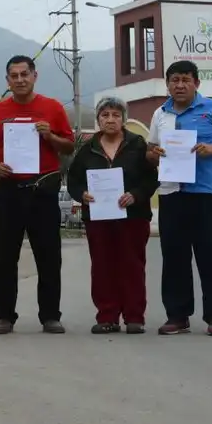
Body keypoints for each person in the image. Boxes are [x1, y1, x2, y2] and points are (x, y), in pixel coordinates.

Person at [0, 55, 75, 334]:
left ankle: (50, 316)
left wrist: (50, 137)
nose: (19, 80)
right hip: (10, 189)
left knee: (48, 255)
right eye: (14, 75)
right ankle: (4, 315)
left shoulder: (53, 108)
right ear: (7, 80)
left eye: (24, 74)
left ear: (35, 76)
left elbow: (69, 146)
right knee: (3, 256)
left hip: (43, 189)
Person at [146, 60, 212, 337]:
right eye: (174, 80)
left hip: (206, 194)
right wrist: (154, 155)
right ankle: (177, 316)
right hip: (171, 194)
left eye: (185, 79)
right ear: (167, 84)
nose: (179, 85)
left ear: (196, 83)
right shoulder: (160, 114)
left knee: (210, 257)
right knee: (174, 258)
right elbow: (150, 152)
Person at [67, 97, 159, 335]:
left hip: (133, 216)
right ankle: (107, 316)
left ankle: (134, 317)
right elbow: (73, 181)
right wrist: (82, 195)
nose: (110, 120)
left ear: (123, 119)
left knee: (132, 266)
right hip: (98, 218)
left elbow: (151, 179)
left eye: (116, 115)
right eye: (105, 115)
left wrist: (135, 195)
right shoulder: (87, 149)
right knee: (102, 266)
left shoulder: (138, 145)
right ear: (98, 119)